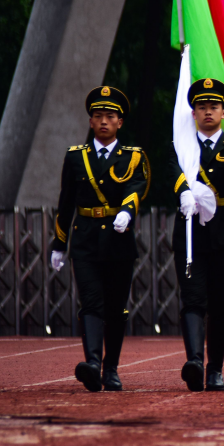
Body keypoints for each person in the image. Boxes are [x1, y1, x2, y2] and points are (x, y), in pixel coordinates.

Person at [50, 86, 150, 392]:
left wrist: (127, 212)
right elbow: (66, 202)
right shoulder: (76, 157)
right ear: (90, 121)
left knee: (116, 308)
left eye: (110, 116)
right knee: (91, 302)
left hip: (119, 240)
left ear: (120, 122)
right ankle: (92, 364)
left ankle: (111, 368)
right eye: (98, 116)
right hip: (85, 239)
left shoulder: (133, 157)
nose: (104, 121)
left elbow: (137, 187)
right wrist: (59, 243)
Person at [172, 78, 224, 391]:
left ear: (223, 112)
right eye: (202, 106)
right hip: (190, 229)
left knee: (219, 303)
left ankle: (215, 368)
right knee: (192, 298)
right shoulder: (182, 145)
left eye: (214, 106)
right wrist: (183, 191)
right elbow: (173, 171)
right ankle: (194, 361)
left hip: (223, 230)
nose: (208, 111)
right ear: (193, 112)